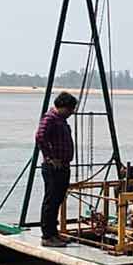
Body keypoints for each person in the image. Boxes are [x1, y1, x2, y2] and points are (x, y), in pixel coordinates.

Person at [35, 91, 77, 247]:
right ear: (63, 107)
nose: (72, 112)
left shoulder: (60, 119)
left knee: (58, 200)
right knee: (51, 200)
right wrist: (50, 157)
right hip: (53, 167)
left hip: (63, 166)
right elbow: (40, 136)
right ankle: (47, 236)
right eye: (71, 109)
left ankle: (54, 233)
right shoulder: (50, 118)